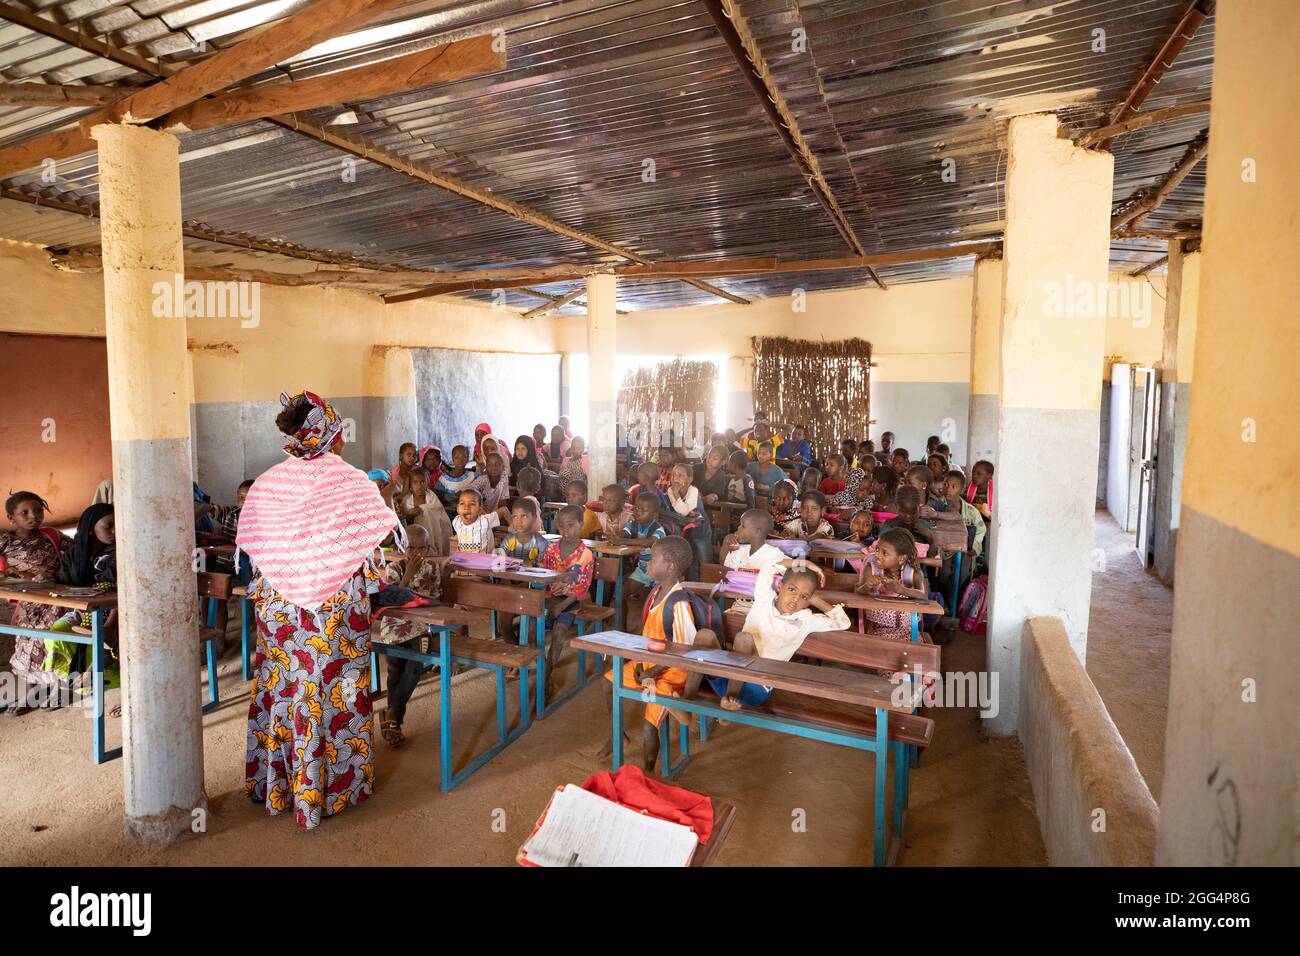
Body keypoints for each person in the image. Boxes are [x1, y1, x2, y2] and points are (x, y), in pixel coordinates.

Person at [239, 390, 399, 829]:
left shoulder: (269, 483)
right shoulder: (349, 481)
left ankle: (278, 784)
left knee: (284, 687)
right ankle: (329, 790)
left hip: (279, 611)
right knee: (332, 694)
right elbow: (373, 542)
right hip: (332, 612)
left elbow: (257, 548)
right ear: (328, 431)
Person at [602, 536, 719, 771]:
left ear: (670, 566)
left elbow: (683, 652)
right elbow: (648, 640)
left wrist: (652, 671)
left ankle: (648, 773)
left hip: (672, 673)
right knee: (608, 682)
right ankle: (618, 733)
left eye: (653, 559)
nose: (647, 563)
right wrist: (639, 665)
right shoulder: (655, 592)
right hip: (649, 664)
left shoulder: (677, 604)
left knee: (648, 728)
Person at [696, 557, 850, 711]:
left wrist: (816, 600)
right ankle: (687, 695)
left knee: (744, 639)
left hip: (757, 686)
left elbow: (843, 623)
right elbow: (768, 566)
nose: (796, 598)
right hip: (729, 676)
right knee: (704, 636)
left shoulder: (806, 619)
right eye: (792, 589)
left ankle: (729, 703)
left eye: (804, 597)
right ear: (780, 586)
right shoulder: (764, 598)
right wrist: (808, 564)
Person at [1, 492, 71, 713]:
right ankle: (33, 691)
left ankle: (58, 689)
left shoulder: (52, 535)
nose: (34, 516)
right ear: (11, 517)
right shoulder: (6, 541)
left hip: (54, 601)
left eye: (38, 510)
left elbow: (79, 554)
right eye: (25, 513)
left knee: (51, 643)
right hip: (27, 603)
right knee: (25, 645)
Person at [376, 524, 442, 748]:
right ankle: (395, 722)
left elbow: (434, 597)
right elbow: (390, 598)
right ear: (402, 547)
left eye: (420, 548)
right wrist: (409, 576)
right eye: (410, 547)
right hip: (394, 625)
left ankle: (392, 714)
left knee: (414, 669)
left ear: (428, 547)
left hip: (420, 626)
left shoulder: (433, 568)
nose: (415, 553)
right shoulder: (394, 568)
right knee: (394, 672)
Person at [540, 505, 594, 699]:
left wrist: (560, 606)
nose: (565, 530)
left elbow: (580, 590)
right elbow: (544, 577)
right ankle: (542, 666)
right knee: (530, 628)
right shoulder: (551, 548)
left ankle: (545, 677)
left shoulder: (585, 554)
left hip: (570, 602)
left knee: (559, 632)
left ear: (581, 524)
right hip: (549, 599)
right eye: (561, 526)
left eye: (571, 525)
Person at [857, 527, 929, 640]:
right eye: (877, 550)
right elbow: (859, 592)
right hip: (876, 630)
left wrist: (901, 590)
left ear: (901, 559)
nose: (878, 555)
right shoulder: (871, 568)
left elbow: (924, 596)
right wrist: (868, 586)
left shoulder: (912, 572)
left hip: (907, 631)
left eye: (885, 553)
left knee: (912, 652)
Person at [620, 493, 667, 620]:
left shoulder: (658, 530)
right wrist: (617, 536)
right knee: (621, 594)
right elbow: (623, 534)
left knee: (653, 604)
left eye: (644, 510)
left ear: (655, 514)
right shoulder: (633, 524)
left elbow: (647, 542)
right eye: (636, 508)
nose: (639, 512)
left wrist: (621, 541)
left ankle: (651, 633)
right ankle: (621, 629)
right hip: (643, 569)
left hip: (660, 573)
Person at [662, 461, 713, 577]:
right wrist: (675, 493)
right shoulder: (670, 490)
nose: (676, 478)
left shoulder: (693, 491)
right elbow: (683, 511)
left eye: (681, 475)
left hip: (701, 532)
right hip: (686, 531)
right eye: (674, 475)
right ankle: (693, 585)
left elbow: (684, 511)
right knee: (691, 561)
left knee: (705, 559)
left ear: (690, 479)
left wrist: (676, 494)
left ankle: (709, 585)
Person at [402, 466, 453, 555]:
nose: (419, 485)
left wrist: (423, 509)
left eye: (422, 482)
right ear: (410, 486)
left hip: (433, 528)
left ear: (427, 483)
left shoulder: (431, 496)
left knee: (426, 511)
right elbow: (405, 518)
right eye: (415, 482)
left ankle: (433, 548)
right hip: (414, 531)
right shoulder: (407, 500)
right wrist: (411, 513)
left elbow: (439, 512)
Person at [720, 509, 784, 573]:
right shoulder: (740, 550)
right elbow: (724, 563)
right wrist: (726, 542)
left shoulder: (774, 554)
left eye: (743, 526)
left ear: (757, 531)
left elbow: (789, 570)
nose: (738, 528)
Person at [451, 489, 499, 554]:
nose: (466, 507)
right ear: (457, 509)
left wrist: (511, 526)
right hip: (464, 559)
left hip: (484, 561)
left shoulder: (484, 520)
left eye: (472, 504)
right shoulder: (456, 521)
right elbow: (460, 533)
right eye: (462, 503)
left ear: (479, 509)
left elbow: (504, 510)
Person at [472, 451, 511, 520]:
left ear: (502, 466)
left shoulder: (504, 477)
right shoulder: (483, 479)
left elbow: (503, 500)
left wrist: (499, 518)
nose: (493, 468)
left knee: (504, 510)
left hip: (494, 514)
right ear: (486, 466)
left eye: (497, 464)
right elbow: (470, 492)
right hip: (479, 513)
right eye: (489, 465)